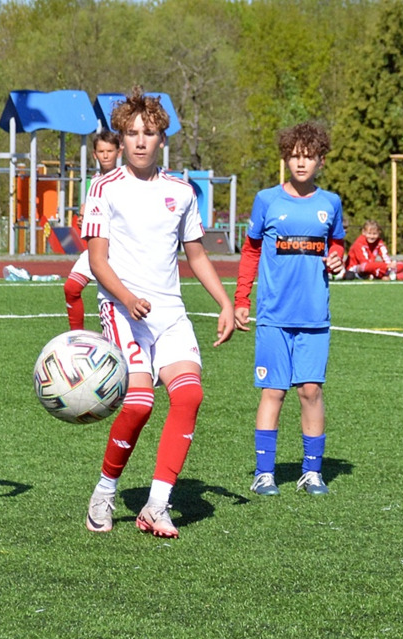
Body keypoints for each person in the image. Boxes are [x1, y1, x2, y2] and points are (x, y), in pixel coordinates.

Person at [81, 88, 238, 539]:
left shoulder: (181, 192)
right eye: (132, 133)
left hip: (169, 313)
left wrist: (225, 302)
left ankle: (156, 505)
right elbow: (97, 262)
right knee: (139, 404)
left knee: (189, 396)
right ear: (121, 139)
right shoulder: (104, 188)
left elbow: (197, 255)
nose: (140, 141)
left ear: (162, 139)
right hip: (121, 310)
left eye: (148, 133)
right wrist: (127, 298)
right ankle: (105, 492)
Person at [235, 122, 346, 497]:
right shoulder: (267, 200)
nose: (301, 163)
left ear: (321, 161)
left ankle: (312, 472)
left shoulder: (330, 203)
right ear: (285, 158)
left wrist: (337, 258)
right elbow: (251, 251)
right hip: (274, 317)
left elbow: (337, 244)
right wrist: (241, 299)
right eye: (295, 156)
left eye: (309, 157)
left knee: (311, 391)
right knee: (274, 392)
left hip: (314, 317)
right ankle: (264, 473)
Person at [62, 130, 122, 330]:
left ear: (119, 152)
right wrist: (86, 221)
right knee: (71, 288)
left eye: (110, 151)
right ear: (94, 154)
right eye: (101, 151)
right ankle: (77, 337)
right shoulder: (95, 181)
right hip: (96, 250)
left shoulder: (124, 182)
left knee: (117, 301)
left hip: (119, 250)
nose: (106, 156)